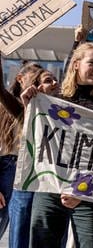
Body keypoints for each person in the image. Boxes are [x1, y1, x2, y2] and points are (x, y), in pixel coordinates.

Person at [26, 41, 93, 248]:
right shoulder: (52, 99)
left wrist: (80, 189)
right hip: (51, 186)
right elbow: (35, 138)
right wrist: (28, 107)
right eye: (92, 63)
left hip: (88, 191)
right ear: (76, 64)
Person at [0, 57, 43, 246]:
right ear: (20, 79)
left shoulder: (39, 109)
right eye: (35, 80)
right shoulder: (8, 106)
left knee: (19, 227)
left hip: (28, 170)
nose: (38, 85)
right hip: (6, 168)